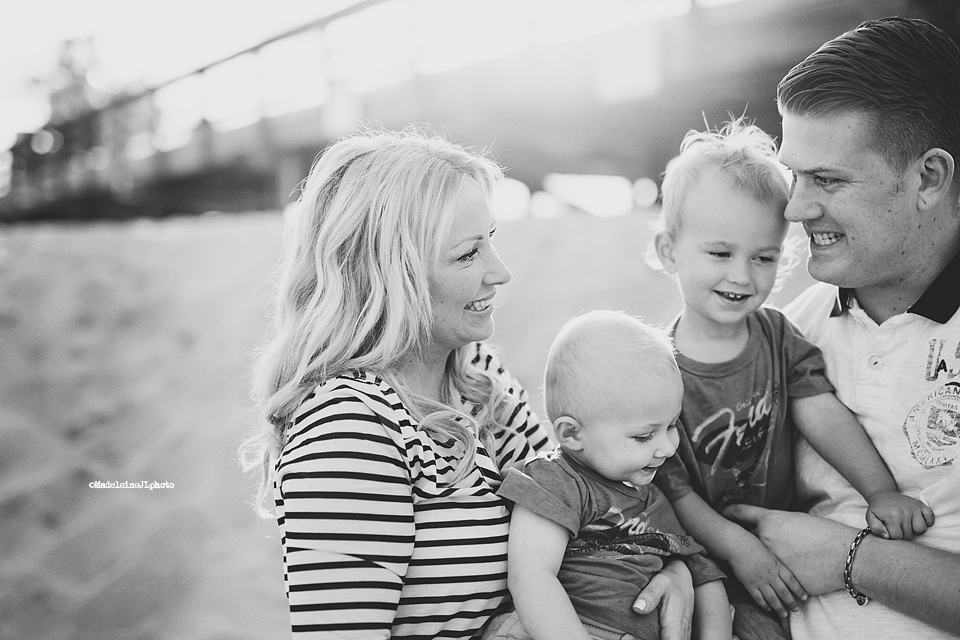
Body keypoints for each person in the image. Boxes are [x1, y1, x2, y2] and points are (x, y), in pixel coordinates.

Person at [238, 127, 695, 639]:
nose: (500, 273)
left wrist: (667, 570)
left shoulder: (479, 378)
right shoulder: (350, 428)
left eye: (490, 243)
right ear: (391, 275)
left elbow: (588, 511)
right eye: (467, 254)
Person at [722, 16, 960, 639]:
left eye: (828, 180)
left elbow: (824, 551)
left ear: (928, 178)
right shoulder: (779, 334)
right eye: (794, 175)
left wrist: (855, 559)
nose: (796, 207)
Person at [648, 118, 933, 637]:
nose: (741, 275)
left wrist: (881, 493)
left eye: (763, 257)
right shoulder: (656, 369)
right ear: (669, 251)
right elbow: (675, 491)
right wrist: (742, 552)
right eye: (719, 253)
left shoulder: (778, 335)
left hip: (782, 550)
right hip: (705, 555)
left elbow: (821, 410)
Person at [490, 310, 731, 640]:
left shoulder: (654, 498)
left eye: (672, 425)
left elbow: (704, 575)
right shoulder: (557, 482)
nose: (668, 448)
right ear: (573, 434)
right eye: (644, 436)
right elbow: (531, 576)